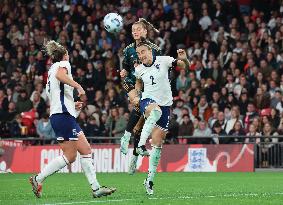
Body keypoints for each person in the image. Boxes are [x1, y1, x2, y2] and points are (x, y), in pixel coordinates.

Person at [29, 40, 115, 198]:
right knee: (70, 156)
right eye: (67, 54)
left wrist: (71, 104)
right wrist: (78, 87)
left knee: (86, 150)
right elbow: (60, 76)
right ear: (64, 55)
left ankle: (96, 188)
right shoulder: (63, 65)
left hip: (62, 115)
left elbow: (57, 94)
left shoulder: (50, 71)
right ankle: (38, 178)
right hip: (62, 117)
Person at [133, 41, 189, 195]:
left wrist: (183, 58)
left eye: (143, 52)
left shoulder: (163, 60)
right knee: (155, 111)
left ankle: (149, 180)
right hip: (148, 102)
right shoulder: (139, 69)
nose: (141, 56)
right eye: (138, 54)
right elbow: (138, 82)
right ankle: (140, 145)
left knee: (158, 145)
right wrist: (137, 94)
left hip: (165, 107)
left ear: (150, 50)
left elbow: (183, 66)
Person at [119, 18, 162, 175]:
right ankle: (125, 138)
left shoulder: (154, 49)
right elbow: (125, 67)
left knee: (140, 127)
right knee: (137, 102)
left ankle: (135, 156)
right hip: (131, 83)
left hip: (149, 87)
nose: (135, 32)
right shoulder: (128, 49)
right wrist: (124, 72)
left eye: (138, 29)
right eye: (133, 30)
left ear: (145, 31)